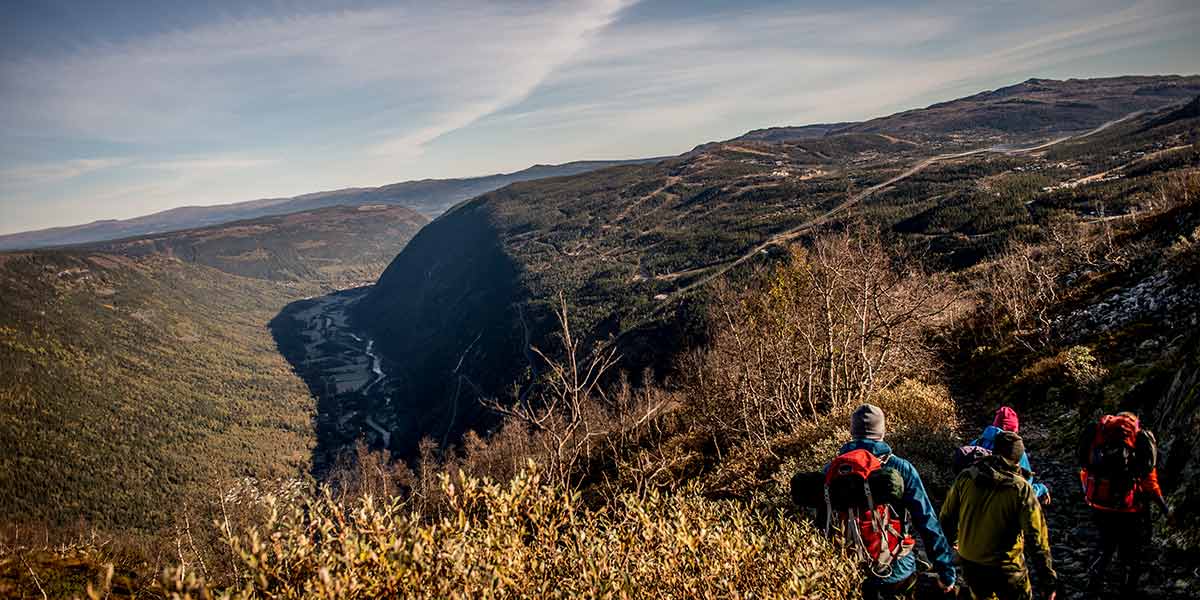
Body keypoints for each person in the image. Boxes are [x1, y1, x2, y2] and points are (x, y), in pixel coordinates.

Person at [825, 404, 957, 599]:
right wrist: (946, 572)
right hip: (897, 569)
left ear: (852, 432)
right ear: (883, 431)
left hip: (848, 572)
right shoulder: (901, 467)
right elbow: (927, 521)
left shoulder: (832, 469)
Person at [941, 430, 1058, 600]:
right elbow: (1036, 539)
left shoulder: (966, 476)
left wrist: (955, 543)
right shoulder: (1021, 488)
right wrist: (1047, 580)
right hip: (1006, 568)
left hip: (971, 564)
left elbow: (946, 518)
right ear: (1019, 459)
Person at [1078, 411, 1170, 596]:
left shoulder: (1100, 437)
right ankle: (1126, 589)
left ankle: (1092, 588)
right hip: (1130, 511)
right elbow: (1150, 483)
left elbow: (1085, 467)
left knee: (1104, 547)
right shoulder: (1137, 441)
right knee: (1130, 555)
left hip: (1100, 505)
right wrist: (1165, 509)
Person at [971, 406, 1051, 503]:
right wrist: (1042, 489)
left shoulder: (976, 444)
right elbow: (1025, 490)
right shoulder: (1016, 451)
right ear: (1014, 430)